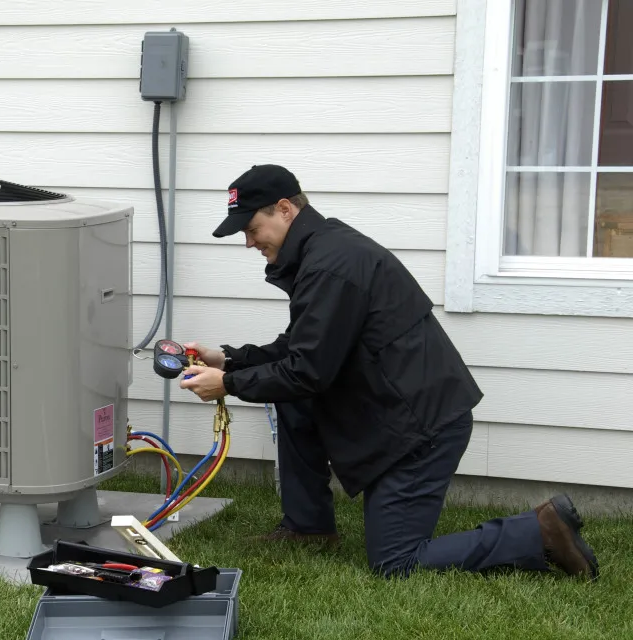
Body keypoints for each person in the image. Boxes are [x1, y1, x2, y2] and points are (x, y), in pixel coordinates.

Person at [179, 163, 599, 580]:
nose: (248, 243)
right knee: (295, 402)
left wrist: (228, 384)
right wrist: (229, 359)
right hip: (395, 411)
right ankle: (308, 528)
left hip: (421, 432)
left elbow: (308, 371)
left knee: (396, 562)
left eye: (251, 229)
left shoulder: (331, 266)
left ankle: (539, 530)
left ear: (285, 209)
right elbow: (303, 347)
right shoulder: (323, 253)